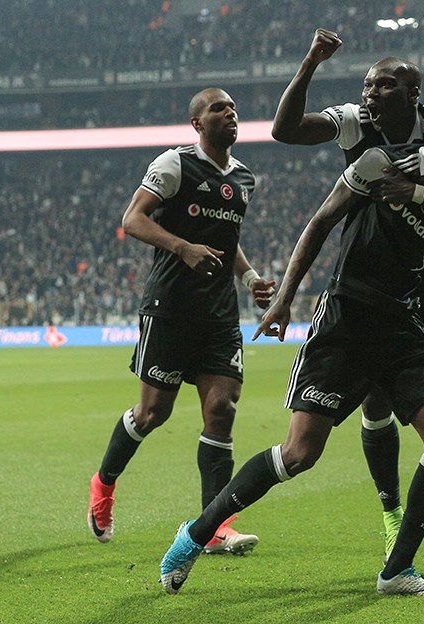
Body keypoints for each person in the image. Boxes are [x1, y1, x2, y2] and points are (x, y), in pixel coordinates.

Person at [159, 94, 424, 597]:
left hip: (402, 330)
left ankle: (397, 570)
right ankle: (195, 534)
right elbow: (320, 223)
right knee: (299, 454)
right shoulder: (380, 164)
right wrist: (284, 299)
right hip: (345, 320)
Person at [271, 28, 424, 569]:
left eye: (383, 85)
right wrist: (310, 62)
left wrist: (417, 193)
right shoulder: (356, 121)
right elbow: (285, 131)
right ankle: (391, 513)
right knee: (373, 403)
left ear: (415, 98)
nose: (370, 93)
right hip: (367, 273)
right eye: (368, 84)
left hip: (421, 284)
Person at [87, 88, 275, 556]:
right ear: (197, 123)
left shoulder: (244, 179)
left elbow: (228, 239)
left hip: (219, 314)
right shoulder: (175, 164)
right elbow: (132, 220)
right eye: (218, 108)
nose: (230, 113)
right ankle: (103, 483)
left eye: (233, 108)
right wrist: (182, 247)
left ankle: (214, 526)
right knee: (153, 413)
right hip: (170, 307)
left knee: (222, 409)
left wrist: (249, 277)